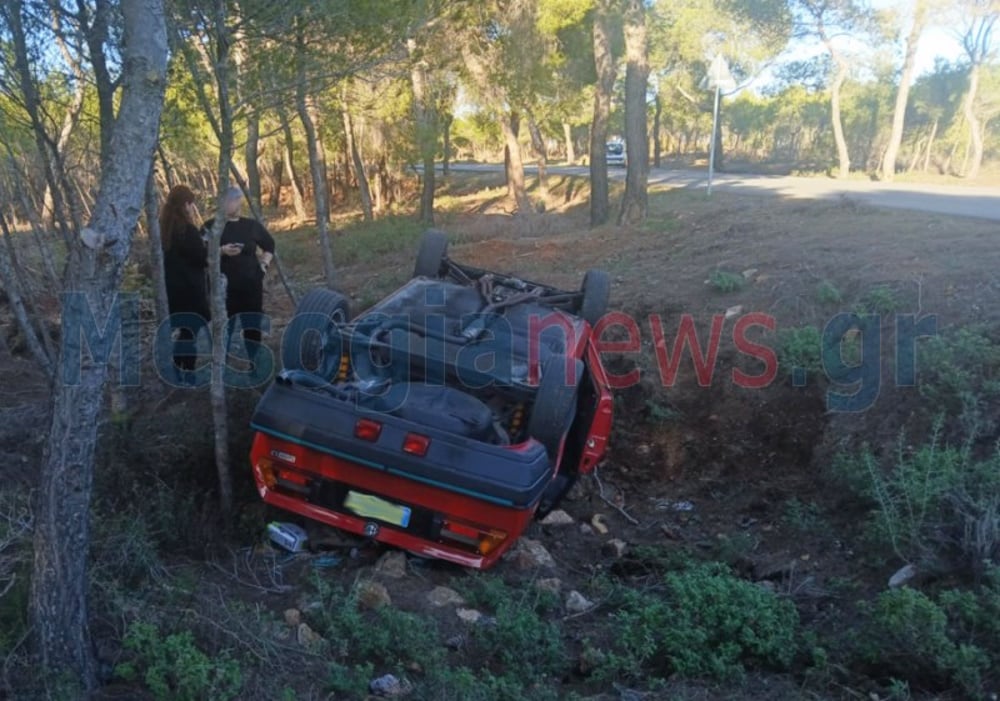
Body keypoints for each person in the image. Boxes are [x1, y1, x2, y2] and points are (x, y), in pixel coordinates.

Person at [205, 187, 276, 367]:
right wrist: (221, 251)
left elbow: (269, 245)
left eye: (232, 200)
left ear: (239, 202)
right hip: (223, 289)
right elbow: (200, 253)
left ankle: (254, 362)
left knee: (252, 327)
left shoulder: (251, 226)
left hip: (251, 285)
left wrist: (263, 266)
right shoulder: (210, 226)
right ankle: (221, 366)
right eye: (224, 201)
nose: (228, 204)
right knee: (224, 328)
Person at [160, 184, 209, 376]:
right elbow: (199, 258)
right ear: (185, 204)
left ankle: (178, 367)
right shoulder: (186, 230)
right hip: (190, 288)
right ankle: (186, 371)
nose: (191, 208)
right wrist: (208, 248)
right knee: (190, 331)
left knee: (185, 330)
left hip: (172, 287)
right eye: (190, 204)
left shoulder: (163, 226)